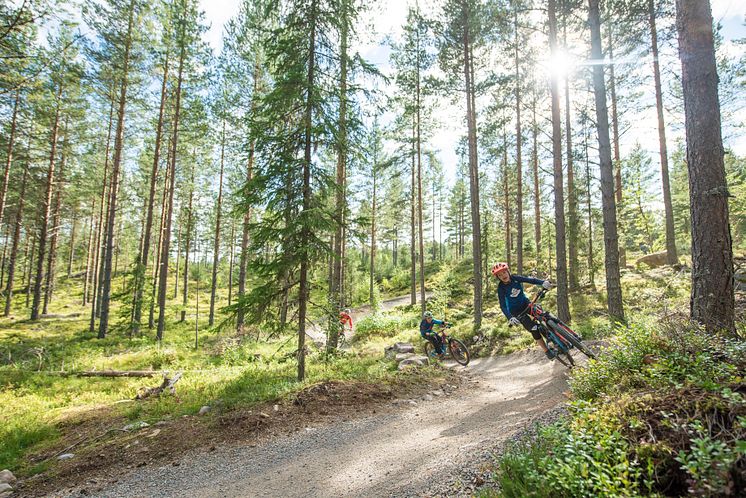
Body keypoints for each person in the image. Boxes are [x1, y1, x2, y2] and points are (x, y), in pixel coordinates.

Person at [492, 262, 556, 360]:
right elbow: (503, 306)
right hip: (516, 312)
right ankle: (546, 351)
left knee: (543, 315)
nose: (503, 276)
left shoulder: (515, 278)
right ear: (498, 277)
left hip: (526, 303)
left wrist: (542, 282)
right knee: (534, 329)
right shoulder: (501, 288)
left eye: (504, 273)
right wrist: (510, 317)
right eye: (500, 275)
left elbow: (530, 280)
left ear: (508, 272)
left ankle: (560, 336)